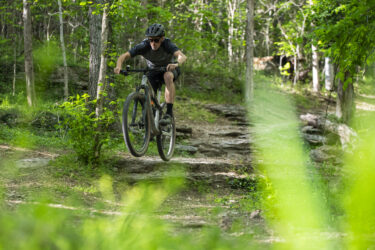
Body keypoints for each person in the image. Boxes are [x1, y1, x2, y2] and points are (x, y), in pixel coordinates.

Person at [114, 23, 187, 124]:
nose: (153, 43)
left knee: (168, 76)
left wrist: (176, 63)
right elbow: (123, 56)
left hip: (169, 68)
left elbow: (182, 56)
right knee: (148, 90)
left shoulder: (167, 44)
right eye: (150, 40)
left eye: (156, 40)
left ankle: (169, 113)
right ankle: (150, 112)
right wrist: (118, 66)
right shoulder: (144, 45)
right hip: (153, 71)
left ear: (162, 38)